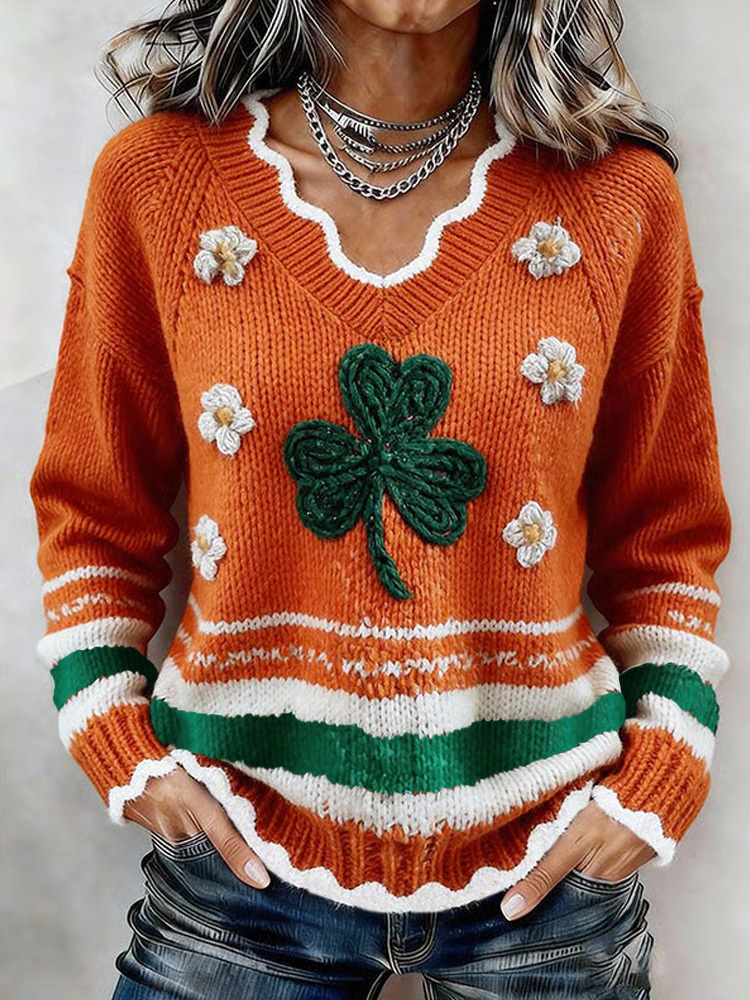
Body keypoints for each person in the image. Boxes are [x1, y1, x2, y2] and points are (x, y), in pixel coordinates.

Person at [28, 1, 732, 997]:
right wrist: (114, 735)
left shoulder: (616, 198)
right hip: (236, 872)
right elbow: (93, 509)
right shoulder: (161, 184)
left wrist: (662, 768)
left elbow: (667, 535)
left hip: (553, 877)